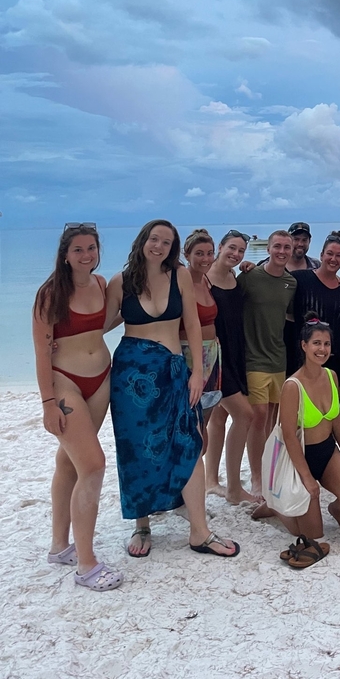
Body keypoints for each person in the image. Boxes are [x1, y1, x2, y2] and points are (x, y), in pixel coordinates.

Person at [106, 220, 239, 559]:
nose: (159, 246)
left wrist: (197, 373)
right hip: (131, 373)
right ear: (143, 241)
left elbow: (192, 324)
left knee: (190, 441)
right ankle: (142, 523)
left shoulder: (179, 275)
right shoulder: (120, 282)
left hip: (173, 367)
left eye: (167, 242)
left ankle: (200, 531)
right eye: (154, 239)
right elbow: (101, 324)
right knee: (135, 449)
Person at [32, 223, 123, 592]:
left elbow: (105, 323)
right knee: (93, 465)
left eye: (91, 248)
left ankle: (60, 547)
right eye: (78, 250)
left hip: (101, 378)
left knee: (68, 461)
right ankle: (86, 564)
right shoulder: (50, 293)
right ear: (65, 255)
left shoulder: (101, 284)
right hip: (66, 382)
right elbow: (41, 352)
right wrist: (48, 403)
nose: (86, 255)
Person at [252, 313, 340, 567]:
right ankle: (277, 508)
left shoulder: (332, 376)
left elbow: (337, 419)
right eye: (316, 343)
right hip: (299, 457)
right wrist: (306, 478)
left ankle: (334, 509)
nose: (322, 349)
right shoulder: (293, 386)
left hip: (326, 451)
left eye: (326, 344)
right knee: (311, 534)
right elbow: (289, 436)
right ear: (304, 345)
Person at [238, 230, 297, 495]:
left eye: (287, 247)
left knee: (273, 419)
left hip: (279, 357)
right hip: (253, 357)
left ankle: (268, 468)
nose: (282, 251)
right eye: (277, 246)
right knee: (257, 416)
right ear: (268, 249)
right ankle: (256, 478)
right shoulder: (251, 277)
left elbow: (290, 316)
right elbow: (229, 300)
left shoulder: (290, 282)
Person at [204, 229, 257, 504]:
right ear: (220, 246)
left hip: (235, 353)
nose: (236, 255)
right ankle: (234, 489)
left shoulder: (234, 276)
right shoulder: (203, 279)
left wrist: (249, 267)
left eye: (241, 251)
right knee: (244, 415)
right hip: (214, 358)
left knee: (219, 417)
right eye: (232, 248)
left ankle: (211, 480)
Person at [292, 231, 340, 385]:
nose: (333, 259)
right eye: (330, 254)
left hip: (337, 361)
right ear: (321, 255)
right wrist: (252, 267)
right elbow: (273, 277)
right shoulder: (300, 279)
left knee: (332, 408)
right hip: (303, 358)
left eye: (339, 255)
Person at [180, 229, 222, 422]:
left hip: (212, 355)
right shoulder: (180, 282)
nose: (206, 259)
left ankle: (201, 454)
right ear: (186, 255)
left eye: (209, 253)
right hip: (189, 355)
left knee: (205, 418)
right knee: (189, 419)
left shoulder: (207, 279)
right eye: (199, 253)